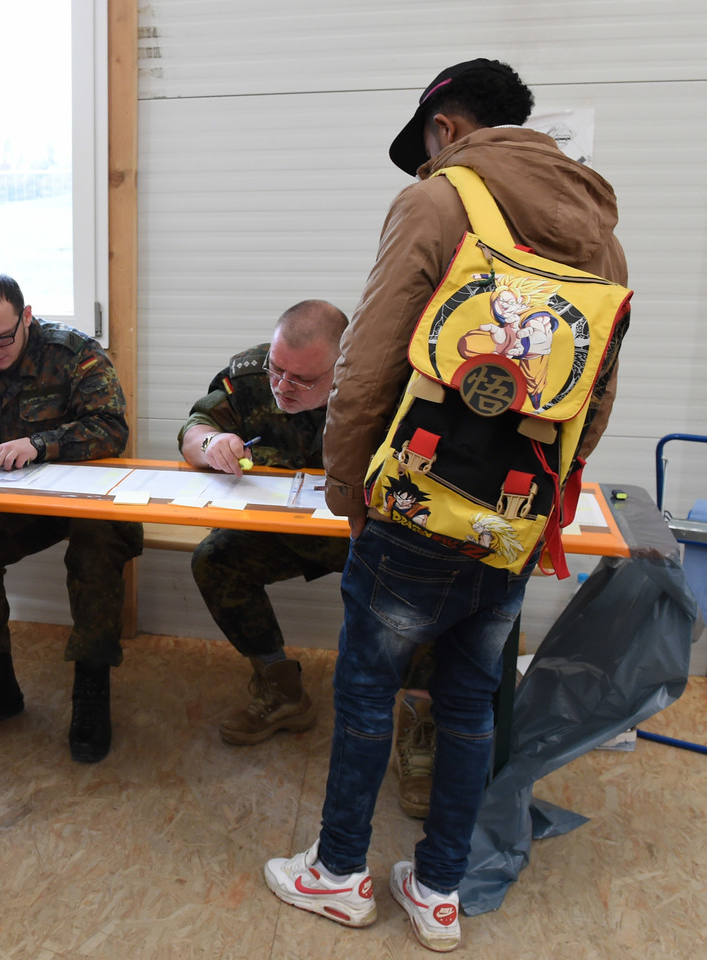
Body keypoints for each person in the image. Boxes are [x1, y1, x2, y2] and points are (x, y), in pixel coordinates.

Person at [263, 60, 628, 953]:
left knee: (366, 691)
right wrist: (542, 502)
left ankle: (338, 874)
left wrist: (348, 488)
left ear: (448, 127)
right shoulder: (600, 234)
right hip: (513, 516)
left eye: (428, 143)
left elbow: (367, 363)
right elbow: (597, 395)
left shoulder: (437, 201)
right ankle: (438, 892)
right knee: (468, 703)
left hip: (416, 506)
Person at [180, 301, 438, 818]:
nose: (282, 386)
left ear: (342, 366)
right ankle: (281, 690)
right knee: (215, 559)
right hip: (290, 531)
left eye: (301, 379)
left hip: (371, 533)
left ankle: (419, 724)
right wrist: (211, 443)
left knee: (425, 584)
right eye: (278, 370)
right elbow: (195, 426)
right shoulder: (252, 374)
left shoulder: (391, 387)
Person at [0, 274, 143, 764]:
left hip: (85, 499)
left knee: (96, 547)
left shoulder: (73, 353)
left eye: (2, 338)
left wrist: (39, 444)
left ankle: (91, 683)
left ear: (26, 316)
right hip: (17, 505)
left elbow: (111, 430)